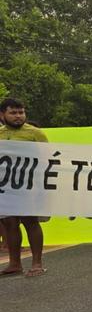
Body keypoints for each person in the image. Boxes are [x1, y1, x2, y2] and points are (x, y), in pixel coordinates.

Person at [0, 98, 48, 277]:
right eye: (13, 113)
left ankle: (37, 263)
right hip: (6, 187)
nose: (18, 116)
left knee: (30, 221)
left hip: (29, 186)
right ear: (2, 114)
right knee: (9, 224)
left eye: (21, 112)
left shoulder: (35, 133)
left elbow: (47, 159)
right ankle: (15, 263)